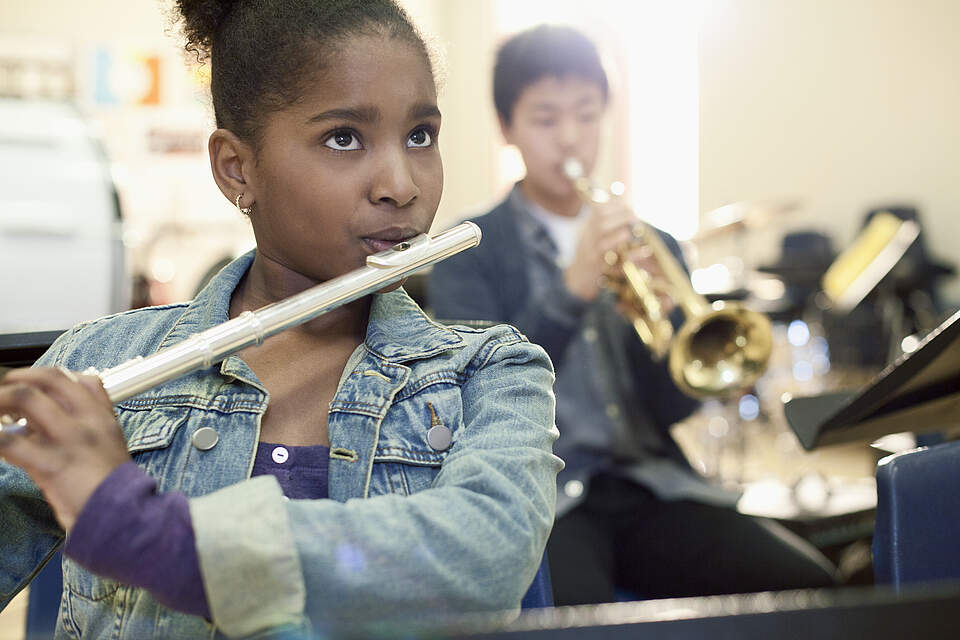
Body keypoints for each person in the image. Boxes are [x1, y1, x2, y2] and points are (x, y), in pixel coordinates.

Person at [0, 2, 562, 638]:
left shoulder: (490, 371)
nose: (401, 185)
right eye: (344, 137)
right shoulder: (99, 362)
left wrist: (141, 530)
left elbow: (481, 560)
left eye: (420, 136)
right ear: (237, 169)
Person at [428, 24, 838, 606]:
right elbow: (473, 393)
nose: (570, 138)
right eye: (546, 119)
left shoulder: (655, 244)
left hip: (652, 485)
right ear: (506, 128)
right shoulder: (468, 249)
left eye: (587, 115)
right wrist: (572, 289)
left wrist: (668, 339)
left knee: (812, 587)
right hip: (543, 496)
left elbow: (673, 407)